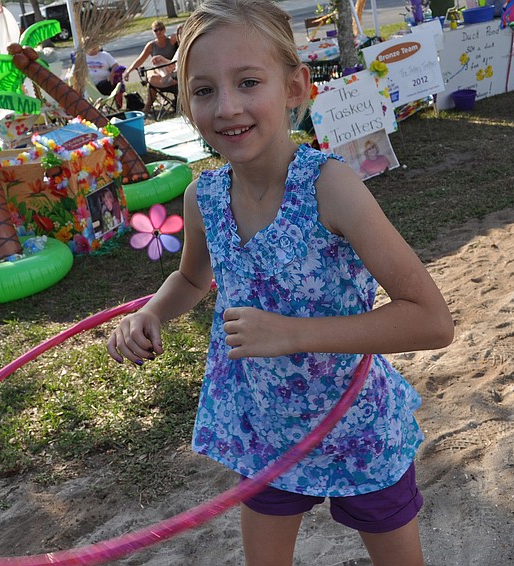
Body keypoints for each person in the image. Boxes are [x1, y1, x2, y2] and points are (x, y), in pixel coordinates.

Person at [106, 1, 454, 565]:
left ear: (294, 87)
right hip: (262, 431)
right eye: (203, 90)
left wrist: (291, 333)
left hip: (356, 426)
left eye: (248, 82)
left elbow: (431, 320)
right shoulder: (204, 197)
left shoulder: (332, 189)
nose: (227, 107)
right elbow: (191, 279)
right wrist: (152, 314)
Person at [124, 20, 180, 115]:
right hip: (159, 73)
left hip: (171, 69)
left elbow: (181, 34)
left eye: (161, 29)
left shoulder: (171, 40)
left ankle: (147, 108)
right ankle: (148, 107)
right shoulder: (151, 45)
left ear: (165, 30)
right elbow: (140, 60)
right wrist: (129, 71)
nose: (158, 32)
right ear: (153, 32)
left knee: (154, 76)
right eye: (156, 30)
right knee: (153, 72)